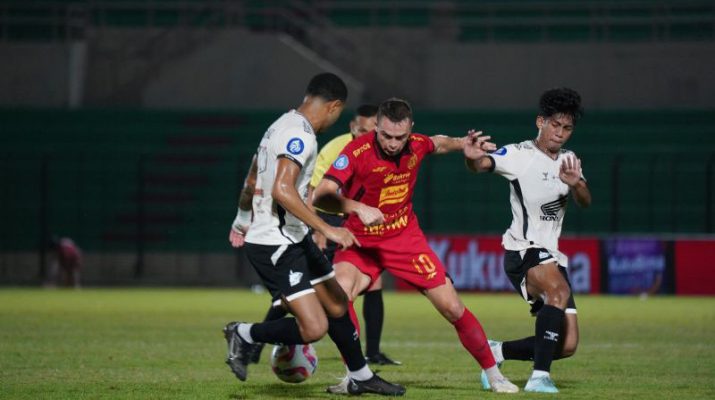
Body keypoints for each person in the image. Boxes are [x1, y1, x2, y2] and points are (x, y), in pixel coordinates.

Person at [313, 98, 519, 394]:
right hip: (361, 240)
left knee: (452, 307)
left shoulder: (416, 144)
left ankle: (494, 374)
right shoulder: (356, 151)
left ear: (410, 130)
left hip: (404, 239)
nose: (394, 143)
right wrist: (357, 206)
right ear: (376, 128)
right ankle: (355, 375)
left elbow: (438, 142)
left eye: (400, 137)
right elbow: (322, 194)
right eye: (386, 136)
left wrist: (464, 144)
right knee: (339, 299)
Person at [222, 72, 405, 396]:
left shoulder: (278, 125)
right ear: (334, 107)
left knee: (336, 303)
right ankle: (244, 333)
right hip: (276, 244)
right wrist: (327, 228)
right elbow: (282, 189)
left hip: (292, 237)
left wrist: (240, 218)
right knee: (315, 326)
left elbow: (252, 179)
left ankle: (360, 375)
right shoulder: (301, 135)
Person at [464, 87, 591, 393]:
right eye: (555, 125)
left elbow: (585, 200)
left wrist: (576, 186)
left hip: (551, 256)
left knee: (567, 344)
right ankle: (539, 378)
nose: (560, 134)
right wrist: (471, 158)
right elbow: (483, 165)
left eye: (567, 128)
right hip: (523, 250)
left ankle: (497, 351)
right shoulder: (520, 155)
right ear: (540, 122)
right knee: (558, 291)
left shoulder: (569, 159)